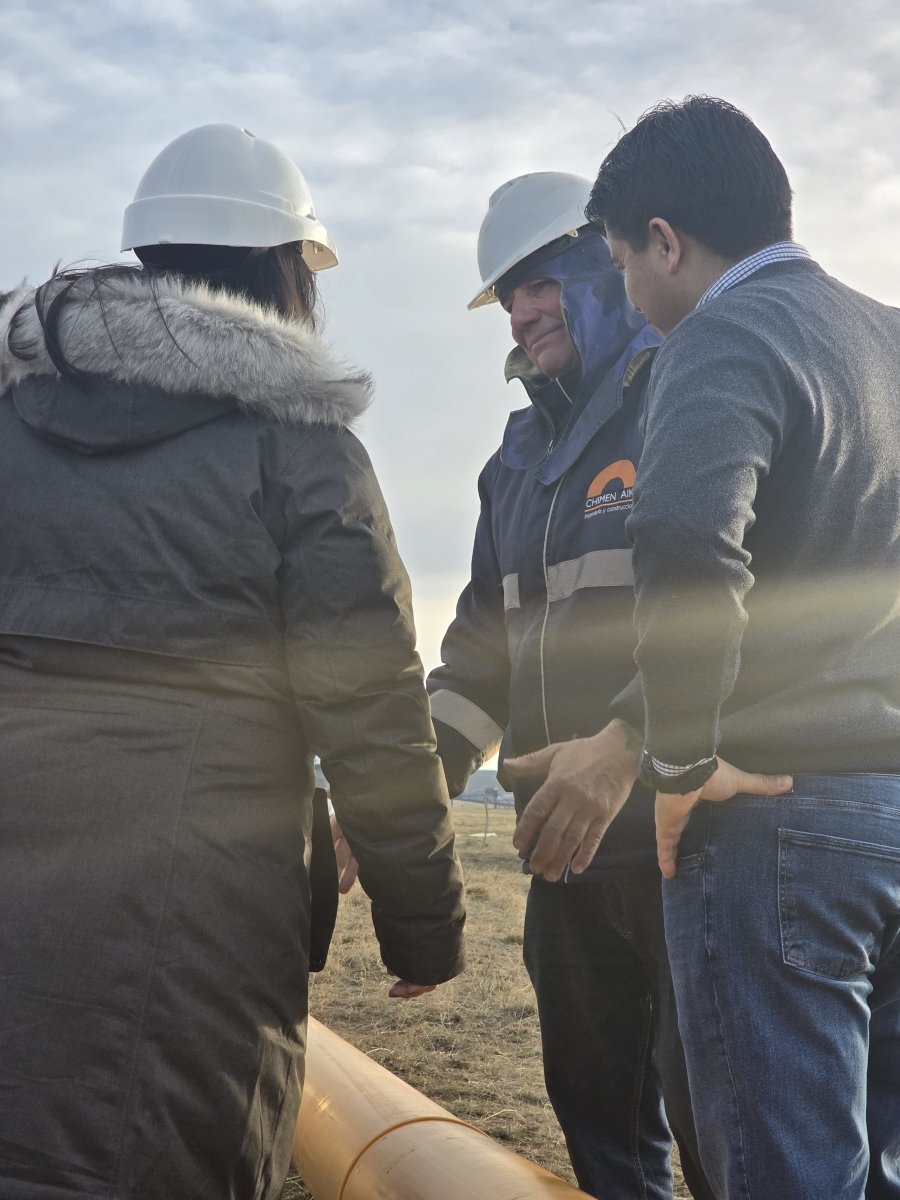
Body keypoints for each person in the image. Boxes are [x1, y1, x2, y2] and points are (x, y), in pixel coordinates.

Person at [0, 123, 465, 1200]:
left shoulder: (12, 425)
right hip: (197, 922)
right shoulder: (302, 452)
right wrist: (423, 928)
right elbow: (373, 708)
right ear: (285, 274)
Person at [538, 95, 900, 1199]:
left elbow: (691, 539)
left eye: (621, 263)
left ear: (665, 241)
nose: (631, 298)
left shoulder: (720, 335)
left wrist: (682, 755)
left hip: (780, 819)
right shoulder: (887, 335)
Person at [426, 171, 715, 1200]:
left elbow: (741, 607)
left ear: (605, 264)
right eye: (508, 296)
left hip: (692, 843)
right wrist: (403, 794)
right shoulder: (514, 464)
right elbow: (479, 656)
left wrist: (630, 745)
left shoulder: (690, 394)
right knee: (600, 1126)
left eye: (539, 283)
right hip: (564, 858)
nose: (520, 312)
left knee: (727, 1132)